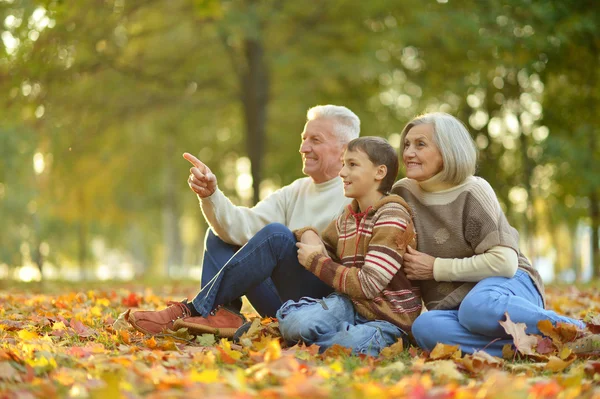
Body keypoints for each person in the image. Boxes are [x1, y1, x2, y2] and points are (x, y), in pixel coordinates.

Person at [126, 105, 361, 337]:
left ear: (343, 150)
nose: (303, 147)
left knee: (277, 236)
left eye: (315, 140)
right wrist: (211, 196)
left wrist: (305, 238)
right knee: (218, 236)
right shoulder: (295, 191)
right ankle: (224, 313)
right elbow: (242, 226)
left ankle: (192, 309)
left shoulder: (357, 194)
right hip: (279, 303)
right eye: (303, 138)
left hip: (320, 307)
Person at [391, 112, 592, 357]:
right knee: (425, 327)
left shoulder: (473, 191)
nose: (409, 152)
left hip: (508, 287)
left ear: (448, 151)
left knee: (477, 308)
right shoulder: (402, 193)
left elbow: (504, 263)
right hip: (454, 307)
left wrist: (435, 268)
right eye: (407, 145)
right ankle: (538, 346)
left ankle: (580, 332)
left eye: (420, 144)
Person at [276, 137, 422, 356]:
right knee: (295, 325)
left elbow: (369, 284)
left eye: (352, 165)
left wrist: (316, 261)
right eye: (343, 164)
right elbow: (324, 246)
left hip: (388, 319)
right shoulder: (348, 215)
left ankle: (325, 340)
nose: (342, 172)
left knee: (346, 343)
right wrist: (307, 233)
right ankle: (319, 332)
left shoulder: (392, 215)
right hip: (350, 303)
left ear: (379, 172)